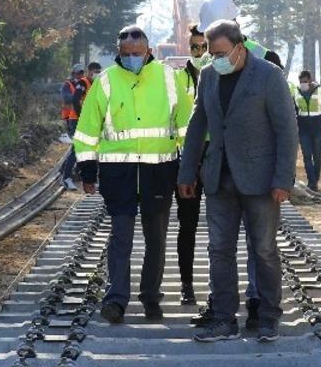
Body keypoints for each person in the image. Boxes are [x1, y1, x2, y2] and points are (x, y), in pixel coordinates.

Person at [178, 20, 297, 343]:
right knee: (219, 250)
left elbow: (287, 130)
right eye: (209, 53)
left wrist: (283, 178)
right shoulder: (209, 76)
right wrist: (187, 172)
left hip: (261, 182)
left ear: (239, 48)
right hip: (219, 179)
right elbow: (197, 123)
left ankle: (269, 317)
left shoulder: (269, 76)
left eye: (219, 52)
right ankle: (224, 319)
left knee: (264, 250)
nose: (213, 58)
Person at [73, 26, 194, 323]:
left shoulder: (169, 78)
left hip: (159, 171)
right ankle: (116, 300)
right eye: (125, 55)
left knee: (156, 239)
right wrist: (88, 170)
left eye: (136, 54)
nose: (130, 59)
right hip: (119, 173)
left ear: (148, 51)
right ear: (119, 52)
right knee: (121, 238)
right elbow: (87, 131)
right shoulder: (105, 82)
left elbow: (186, 127)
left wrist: (188, 169)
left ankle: (151, 297)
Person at [174, 25, 210, 305]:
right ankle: (187, 283)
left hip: (217, 157)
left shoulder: (220, 77)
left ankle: (220, 285)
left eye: (204, 46)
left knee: (223, 223)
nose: (199, 52)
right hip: (187, 158)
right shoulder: (176, 80)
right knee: (188, 224)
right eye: (194, 47)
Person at [293, 70, 321, 191]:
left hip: (318, 129)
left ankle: (315, 180)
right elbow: (294, 111)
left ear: (310, 80)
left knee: (317, 156)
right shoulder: (296, 93)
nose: (303, 84)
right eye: (301, 82)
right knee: (307, 156)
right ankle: (312, 182)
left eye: (305, 82)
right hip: (303, 130)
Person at [59, 63, 89, 189]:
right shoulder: (68, 85)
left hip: (79, 117)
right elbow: (67, 98)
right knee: (76, 147)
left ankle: (66, 169)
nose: (80, 75)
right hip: (70, 118)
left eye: (82, 73)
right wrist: (78, 95)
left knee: (77, 147)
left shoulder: (83, 84)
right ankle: (66, 173)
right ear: (73, 73)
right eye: (78, 73)